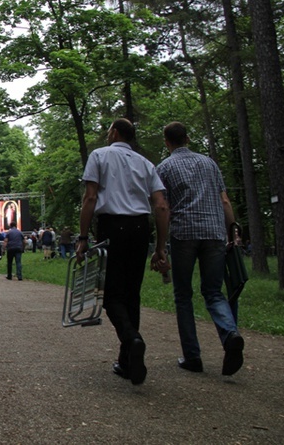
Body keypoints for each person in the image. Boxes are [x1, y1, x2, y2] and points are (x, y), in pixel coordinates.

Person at [78, 118, 169, 386]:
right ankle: (127, 361)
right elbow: (161, 206)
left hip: (112, 228)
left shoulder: (99, 156)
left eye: (108, 132)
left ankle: (132, 339)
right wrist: (161, 247)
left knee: (110, 295)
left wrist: (83, 237)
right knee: (132, 293)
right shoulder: (146, 164)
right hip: (141, 229)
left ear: (114, 132)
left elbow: (91, 197)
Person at [156, 121, 244, 376]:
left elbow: (163, 207)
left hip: (184, 234)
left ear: (167, 142)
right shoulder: (209, 164)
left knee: (183, 295)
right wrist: (232, 233)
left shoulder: (165, 167)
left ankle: (192, 357)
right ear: (188, 138)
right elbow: (224, 200)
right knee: (214, 292)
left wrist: (160, 246)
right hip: (215, 233)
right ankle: (230, 334)